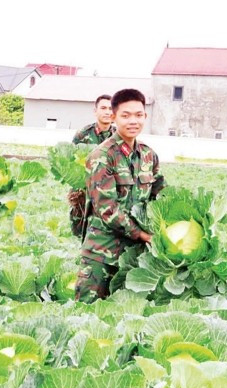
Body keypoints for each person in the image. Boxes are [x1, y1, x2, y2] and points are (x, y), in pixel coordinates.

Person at [75, 88, 166, 303]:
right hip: (102, 254)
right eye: (125, 116)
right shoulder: (102, 156)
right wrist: (144, 236)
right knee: (88, 316)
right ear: (114, 117)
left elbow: (159, 198)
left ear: (145, 116)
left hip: (135, 258)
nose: (133, 121)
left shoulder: (148, 155)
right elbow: (107, 209)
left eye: (138, 115)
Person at [68, 95, 115, 237]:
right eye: (103, 108)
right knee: (80, 227)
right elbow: (71, 161)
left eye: (110, 108)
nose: (107, 112)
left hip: (107, 190)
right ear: (95, 111)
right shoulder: (83, 135)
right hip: (84, 188)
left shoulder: (118, 136)